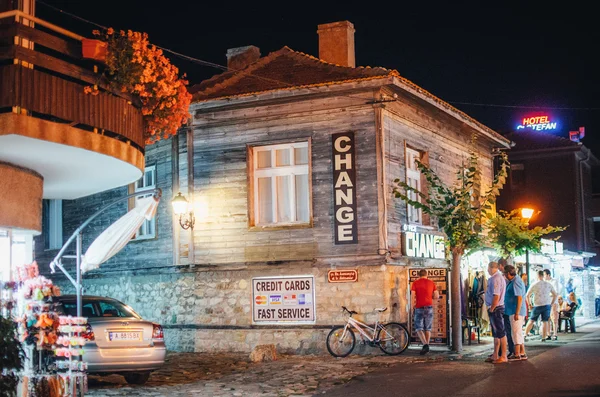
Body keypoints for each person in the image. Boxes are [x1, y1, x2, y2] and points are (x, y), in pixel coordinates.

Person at [484, 261, 508, 364]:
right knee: (496, 333)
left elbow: (496, 295)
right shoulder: (496, 278)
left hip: (496, 308)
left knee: (500, 333)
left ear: (490, 268)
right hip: (496, 307)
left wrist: (492, 308)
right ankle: (495, 354)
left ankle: (503, 355)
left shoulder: (496, 279)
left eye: (488, 268)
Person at [411, 269, 439, 355]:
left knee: (419, 327)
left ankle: (425, 345)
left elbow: (412, 296)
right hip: (429, 307)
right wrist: (431, 298)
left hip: (419, 307)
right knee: (428, 328)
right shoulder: (432, 283)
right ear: (427, 275)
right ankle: (426, 346)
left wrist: (412, 307)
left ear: (419, 275)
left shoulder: (415, 283)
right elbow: (437, 296)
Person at [504, 265, 528, 360]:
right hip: (513, 310)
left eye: (505, 273)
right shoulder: (514, 281)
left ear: (508, 273)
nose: (505, 275)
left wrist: (517, 312)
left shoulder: (516, 281)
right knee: (517, 332)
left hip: (515, 310)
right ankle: (522, 352)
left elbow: (519, 297)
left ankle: (517, 353)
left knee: (515, 332)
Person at [524, 271, 557, 341]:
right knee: (545, 321)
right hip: (547, 304)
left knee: (531, 320)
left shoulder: (534, 284)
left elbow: (527, 295)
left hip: (537, 304)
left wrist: (529, 304)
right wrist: (551, 303)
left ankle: (525, 335)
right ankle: (543, 337)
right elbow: (555, 294)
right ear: (543, 276)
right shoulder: (548, 284)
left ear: (537, 276)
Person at [498, 259, 514, 358]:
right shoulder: (507, 279)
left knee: (505, 330)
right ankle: (501, 351)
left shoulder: (506, 279)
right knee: (503, 330)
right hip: (505, 306)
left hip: (505, 307)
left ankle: (510, 350)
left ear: (501, 266)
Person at [544, 269, 560, 340]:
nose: (544, 277)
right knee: (547, 318)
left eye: (545, 275)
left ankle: (555, 334)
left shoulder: (554, 281)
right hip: (546, 302)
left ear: (548, 275)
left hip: (553, 302)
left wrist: (548, 294)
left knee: (554, 318)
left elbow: (556, 292)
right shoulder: (543, 282)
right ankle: (548, 334)